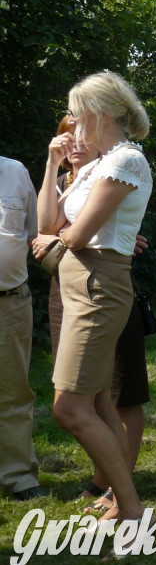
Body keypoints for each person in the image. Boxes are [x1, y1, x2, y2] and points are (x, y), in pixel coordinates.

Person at [37, 71, 152, 538]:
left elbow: (75, 235)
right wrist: (51, 168)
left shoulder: (126, 161)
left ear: (97, 113)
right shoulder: (94, 167)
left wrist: (56, 239)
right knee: (99, 400)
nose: (73, 129)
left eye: (77, 116)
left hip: (97, 284)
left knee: (69, 409)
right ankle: (123, 503)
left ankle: (130, 508)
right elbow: (48, 221)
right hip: (81, 281)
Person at [0, 154, 45, 501]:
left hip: (10, 302)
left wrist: (110, 251)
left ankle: (18, 476)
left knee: (13, 391)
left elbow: (39, 236)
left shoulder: (14, 172)